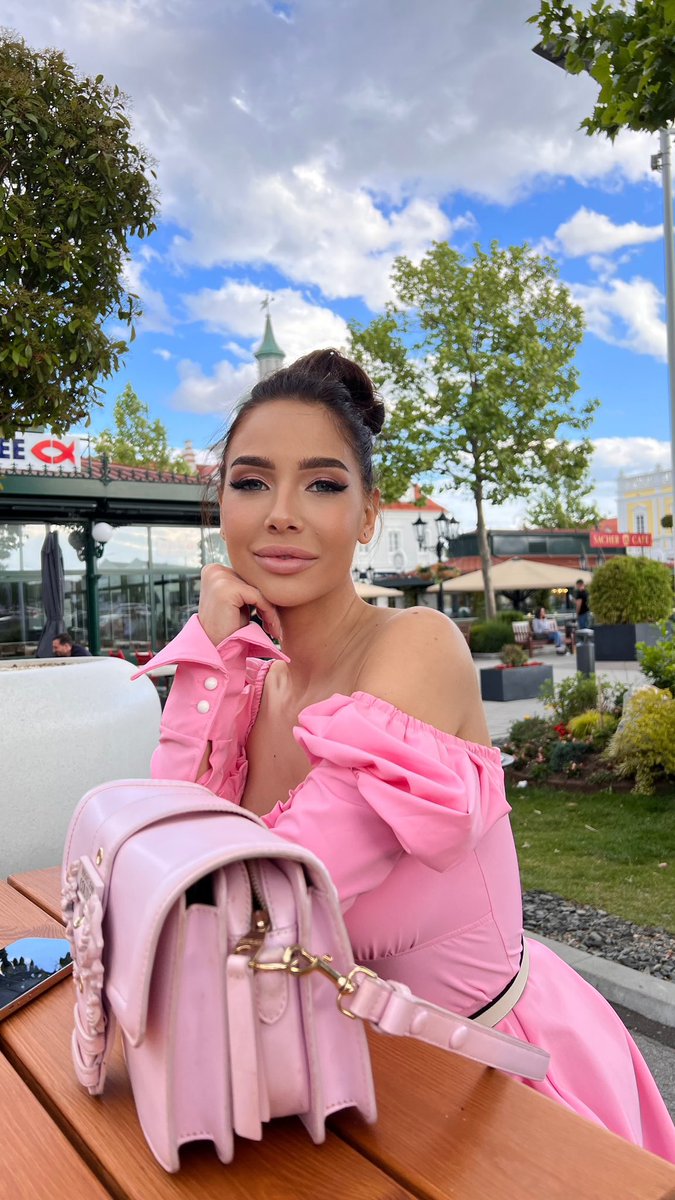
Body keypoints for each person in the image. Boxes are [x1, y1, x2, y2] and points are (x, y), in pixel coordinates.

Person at [133, 349, 675, 1161]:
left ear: (368, 515)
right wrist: (212, 660)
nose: (281, 513)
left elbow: (261, 897)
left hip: (484, 1092)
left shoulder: (417, 645)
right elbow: (167, 843)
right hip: (311, 1085)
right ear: (221, 509)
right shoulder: (254, 684)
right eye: (250, 482)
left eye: (322, 484)